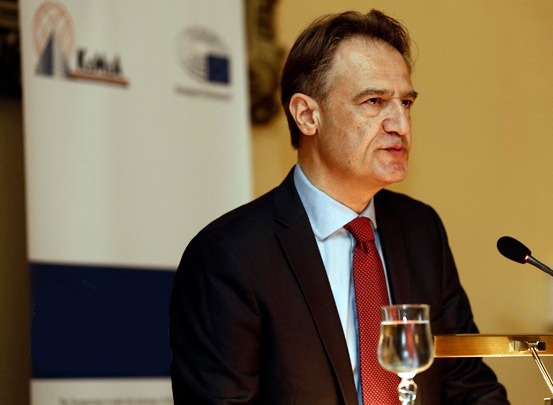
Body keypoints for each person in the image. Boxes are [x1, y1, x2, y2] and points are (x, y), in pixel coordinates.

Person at [169, 9, 510, 405]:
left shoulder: (421, 231)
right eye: (374, 101)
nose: (401, 124)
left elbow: (469, 384)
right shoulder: (230, 256)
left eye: (406, 103)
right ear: (307, 115)